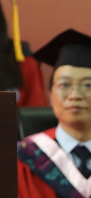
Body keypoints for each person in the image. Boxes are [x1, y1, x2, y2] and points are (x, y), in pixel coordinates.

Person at [18, 29, 91, 198]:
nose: (75, 95)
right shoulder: (25, 157)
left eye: (88, 85)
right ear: (50, 94)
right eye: (64, 85)